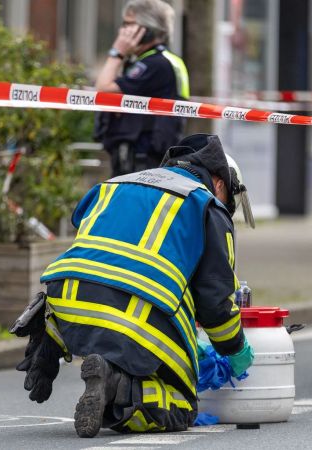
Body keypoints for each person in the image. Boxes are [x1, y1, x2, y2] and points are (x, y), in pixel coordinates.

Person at [13, 134, 256, 437]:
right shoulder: (207, 205)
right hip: (134, 310)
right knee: (181, 407)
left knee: (131, 326)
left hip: (63, 299)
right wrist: (234, 348)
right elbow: (215, 302)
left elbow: (86, 232)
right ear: (219, 183)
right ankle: (118, 386)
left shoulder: (114, 184)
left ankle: (58, 337)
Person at [94, 0, 190, 177]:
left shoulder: (155, 64)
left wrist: (117, 52)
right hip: (145, 160)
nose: (122, 31)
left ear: (148, 28)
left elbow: (103, 91)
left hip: (142, 160)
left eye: (129, 24)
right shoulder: (161, 60)